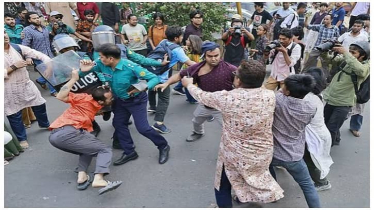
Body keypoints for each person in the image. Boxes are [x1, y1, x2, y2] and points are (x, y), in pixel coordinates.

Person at [181, 59, 284, 208]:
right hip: (263, 151)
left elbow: (202, 96)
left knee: (222, 186)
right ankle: (264, 196)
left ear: (238, 79)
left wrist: (189, 84)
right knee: (258, 175)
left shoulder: (227, 98)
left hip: (233, 154)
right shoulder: (270, 95)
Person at [79, 43, 170, 165]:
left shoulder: (131, 67)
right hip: (119, 100)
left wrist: (143, 87)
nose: (99, 59)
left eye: (101, 56)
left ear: (111, 58)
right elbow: (84, 73)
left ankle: (163, 146)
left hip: (136, 101)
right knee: (118, 123)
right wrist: (83, 71)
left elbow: (154, 78)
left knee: (143, 128)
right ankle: (129, 151)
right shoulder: (101, 63)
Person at [49, 69, 122, 195]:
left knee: (87, 148)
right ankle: (99, 179)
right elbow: (60, 96)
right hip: (68, 131)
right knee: (104, 150)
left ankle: (82, 177)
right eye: (110, 98)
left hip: (56, 137)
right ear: (100, 102)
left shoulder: (97, 104)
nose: (112, 99)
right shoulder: (84, 98)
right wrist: (74, 79)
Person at [154, 42, 237, 142]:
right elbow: (180, 75)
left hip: (223, 108)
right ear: (204, 55)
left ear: (221, 54)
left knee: (230, 130)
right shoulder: (196, 68)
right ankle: (198, 132)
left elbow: (243, 83)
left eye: (216, 56)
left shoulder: (230, 69)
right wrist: (166, 83)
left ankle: (232, 146)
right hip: (204, 105)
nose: (214, 59)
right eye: (210, 56)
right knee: (196, 121)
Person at [270, 74, 321, 208]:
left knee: (268, 173)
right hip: (294, 156)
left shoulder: (278, 99)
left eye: (284, 86)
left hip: (272, 152)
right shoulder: (310, 108)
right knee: (308, 186)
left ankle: (272, 193)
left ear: (287, 91)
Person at [4, 31, 51, 149]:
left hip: (26, 84)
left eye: (4, 32)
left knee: (40, 104)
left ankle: (44, 124)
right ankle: (22, 139)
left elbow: (37, 54)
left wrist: (49, 64)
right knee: (14, 114)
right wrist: (13, 67)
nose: (4, 36)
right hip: (8, 89)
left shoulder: (17, 47)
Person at [147, 26, 196, 134]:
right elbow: (189, 63)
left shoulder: (164, 42)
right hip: (162, 77)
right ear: (176, 38)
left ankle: (152, 106)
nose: (183, 37)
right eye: (181, 36)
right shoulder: (178, 50)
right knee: (164, 99)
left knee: (152, 89)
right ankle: (159, 123)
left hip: (151, 73)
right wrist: (202, 64)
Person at [321, 41, 370, 146]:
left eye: (354, 53)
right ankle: (336, 140)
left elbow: (360, 71)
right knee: (325, 124)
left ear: (363, 55)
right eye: (350, 52)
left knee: (331, 128)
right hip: (332, 98)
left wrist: (346, 53)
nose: (351, 54)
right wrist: (325, 51)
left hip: (344, 103)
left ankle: (325, 151)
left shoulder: (367, 66)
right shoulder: (347, 60)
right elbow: (330, 61)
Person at [303, 67, 334, 191]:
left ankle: (323, 183)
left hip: (315, 136)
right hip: (319, 134)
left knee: (312, 161)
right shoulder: (316, 95)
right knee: (314, 159)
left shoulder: (308, 98)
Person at [181, 35, 203, 104]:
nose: (186, 41)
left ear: (193, 42)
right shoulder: (190, 50)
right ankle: (191, 99)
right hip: (187, 70)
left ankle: (192, 99)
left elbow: (197, 63)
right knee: (187, 85)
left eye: (188, 40)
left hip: (191, 72)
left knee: (190, 85)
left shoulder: (195, 53)